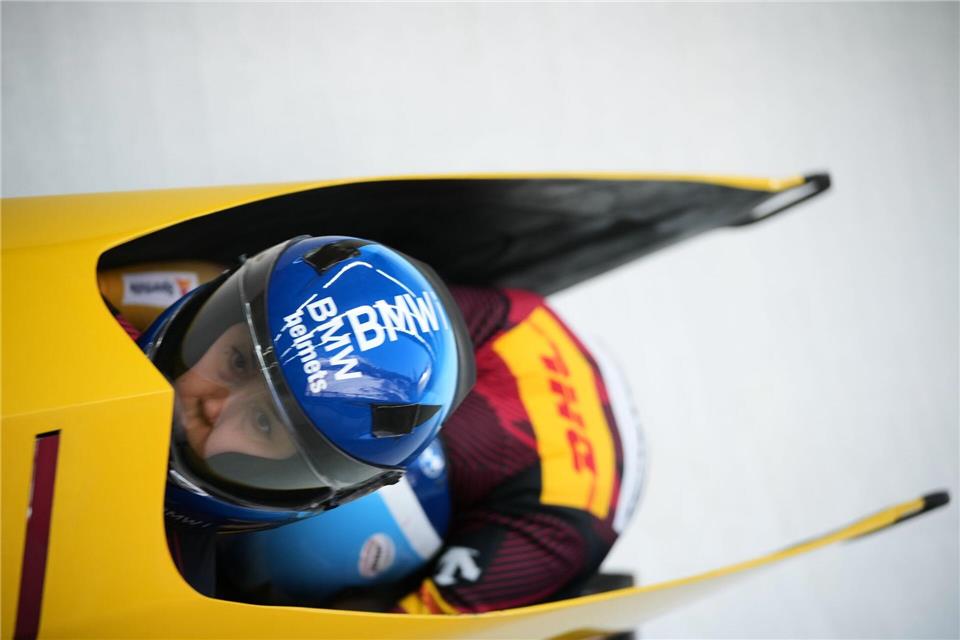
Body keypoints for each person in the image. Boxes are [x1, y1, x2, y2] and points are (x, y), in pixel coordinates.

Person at [126, 235, 644, 612]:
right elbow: (282, 298)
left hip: (557, 499)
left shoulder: (553, 537)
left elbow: (403, 625)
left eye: (265, 425)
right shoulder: (488, 328)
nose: (212, 410)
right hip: (522, 341)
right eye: (235, 364)